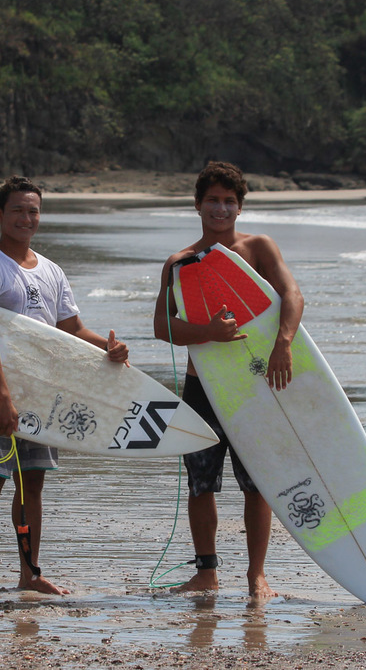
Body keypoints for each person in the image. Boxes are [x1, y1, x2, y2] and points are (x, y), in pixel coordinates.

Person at [0, 175, 129, 599]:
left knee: (31, 482)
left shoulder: (52, 270)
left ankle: (29, 574)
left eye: (33, 210)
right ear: (0, 214)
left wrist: (107, 348)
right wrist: (1, 395)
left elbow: (70, 328)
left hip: (43, 397)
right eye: (17, 209)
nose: (26, 217)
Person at [152, 161, 304, 599]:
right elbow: (164, 327)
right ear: (198, 205)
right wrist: (208, 334)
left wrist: (284, 342)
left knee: (256, 482)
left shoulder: (258, 248)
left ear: (240, 207)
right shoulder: (180, 262)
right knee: (201, 484)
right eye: (213, 201)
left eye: (229, 202)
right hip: (204, 387)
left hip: (256, 386)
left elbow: (292, 295)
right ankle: (206, 572)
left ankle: (257, 575)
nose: (221, 209)